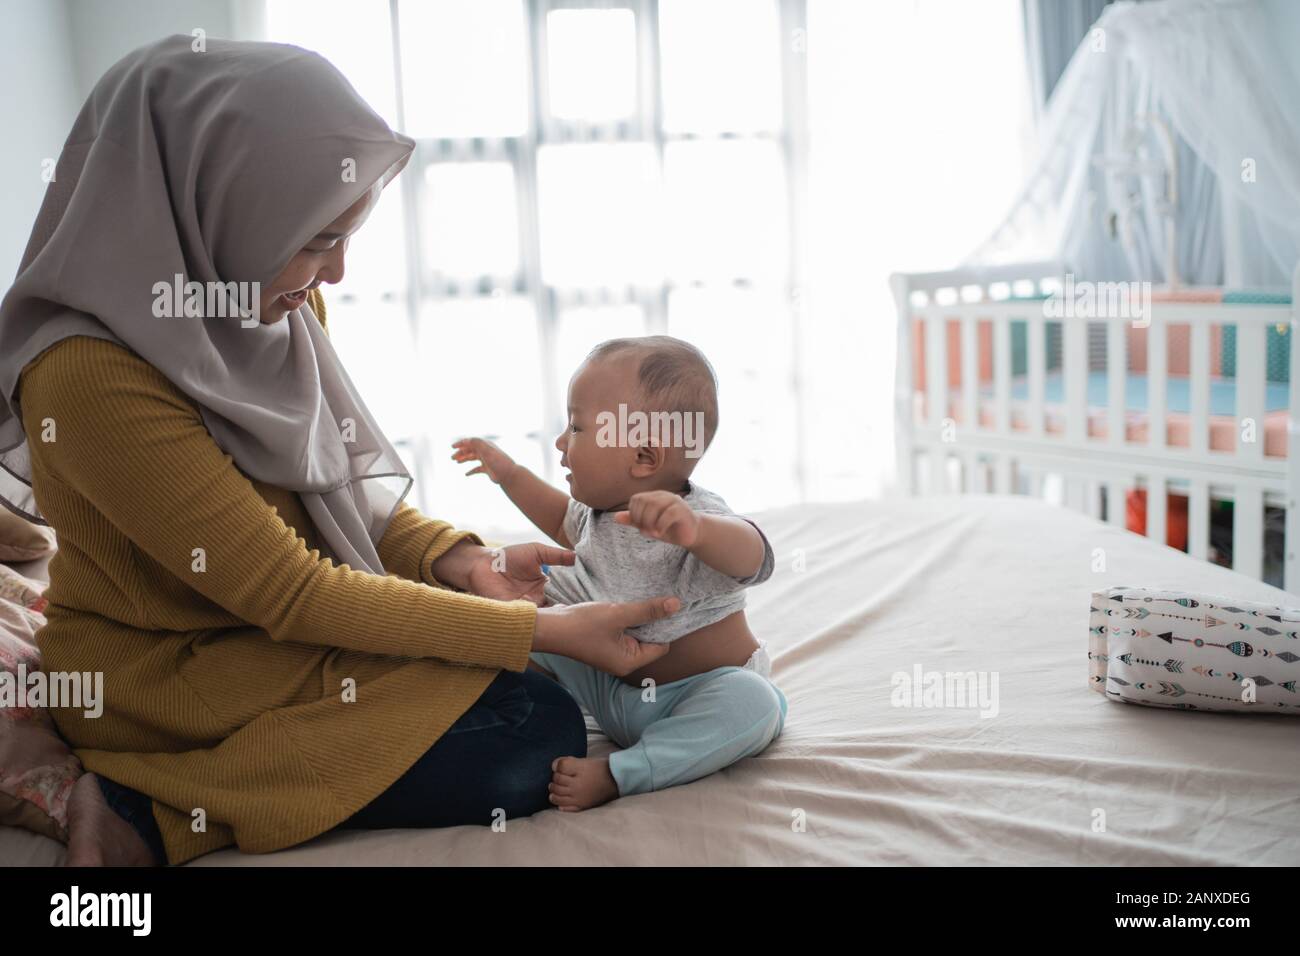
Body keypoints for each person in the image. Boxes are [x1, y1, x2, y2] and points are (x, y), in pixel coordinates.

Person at [0, 35, 677, 867]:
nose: (338, 272)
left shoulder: (272, 310)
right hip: (161, 677)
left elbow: (339, 494)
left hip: (262, 640)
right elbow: (287, 590)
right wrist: (542, 627)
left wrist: (458, 561)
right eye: (318, 239)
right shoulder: (87, 376)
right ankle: (147, 809)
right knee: (528, 729)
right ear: (214, 202)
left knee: (530, 707)